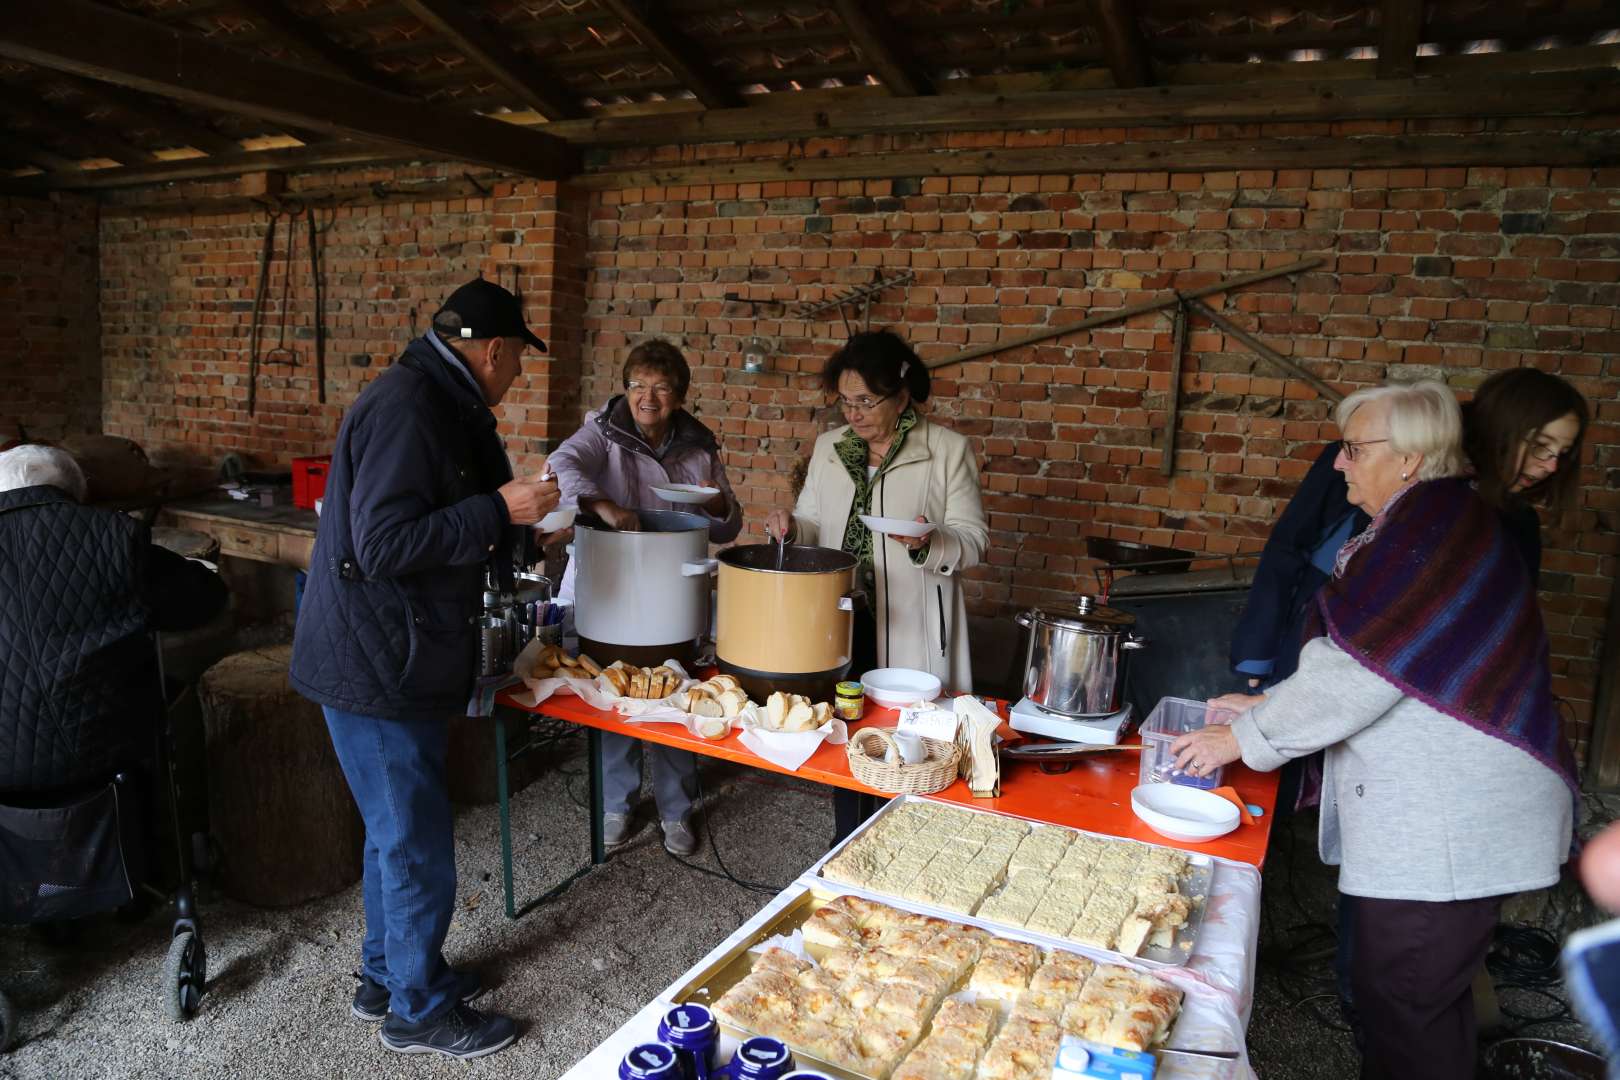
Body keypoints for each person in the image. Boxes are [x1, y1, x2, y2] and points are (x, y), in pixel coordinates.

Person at [1172, 379, 1577, 1080]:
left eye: (1354, 449)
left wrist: (1240, 740)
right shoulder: (1431, 517)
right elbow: (1370, 656)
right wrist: (1265, 708)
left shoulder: (1436, 525)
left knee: (1407, 999)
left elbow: (1363, 670)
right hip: (1441, 811)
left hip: (1451, 820)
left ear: (1412, 459)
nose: (1339, 464)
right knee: (1411, 995)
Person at [289, 277, 560, 1061]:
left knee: (392, 831)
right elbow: (381, 546)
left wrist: (520, 537)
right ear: (495, 350)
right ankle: (416, 1010)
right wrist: (497, 511)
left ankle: (387, 974)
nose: (514, 379)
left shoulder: (438, 401)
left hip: (386, 653)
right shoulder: (410, 406)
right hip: (376, 662)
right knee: (413, 839)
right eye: (516, 364)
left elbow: (436, 519)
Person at [765, 330, 988, 841]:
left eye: (866, 401)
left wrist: (930, 542)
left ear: (902, 394)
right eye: (846, 401)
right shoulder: (830, 448)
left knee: (913, 740)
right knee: (849, 727)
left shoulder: (947, 450)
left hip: (913, 619)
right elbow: (812, 520)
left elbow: (974, 540)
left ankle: (909, 845)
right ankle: (848, 839)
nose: (854, 414)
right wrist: (791, 526)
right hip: (844, 613)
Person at [546, 339, 742, 856]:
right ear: (625, 389)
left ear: (679, 397)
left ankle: (676, 811)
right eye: (637, 386)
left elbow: (728, 524)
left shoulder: (698, 445)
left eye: (660, 388)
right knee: (616, 693)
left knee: (675, 693)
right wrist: (606, 506)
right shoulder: (601, 433)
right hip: (610, 582)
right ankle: (617, 804)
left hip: (670, 584)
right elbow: (561, 463)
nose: (646, 397)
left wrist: (717, 500)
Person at [0, 445, 227, 794]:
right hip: (102, 770)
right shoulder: (112, 534)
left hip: (9, 789)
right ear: (74, 490)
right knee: (178, 693)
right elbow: (205, 600)